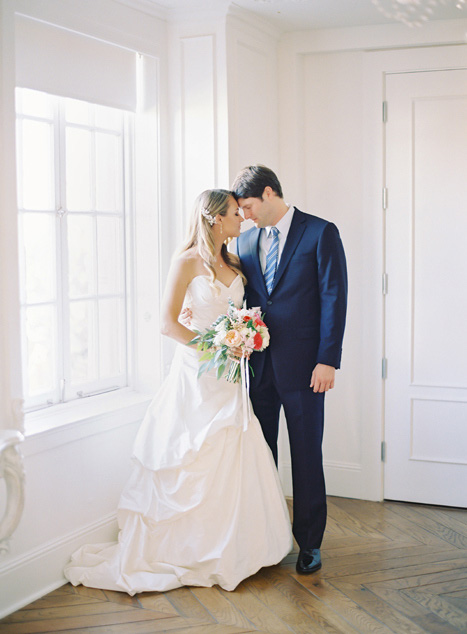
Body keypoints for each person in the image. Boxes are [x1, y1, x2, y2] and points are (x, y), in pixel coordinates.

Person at [64, 189, 292, 595]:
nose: (242, 219)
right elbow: (168, 324)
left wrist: (246, 338)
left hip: (230, 378)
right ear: (215, 219)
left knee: (233, 454)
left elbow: (241, 312)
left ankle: (237, 547)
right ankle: (188, 549)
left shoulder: (234, 260)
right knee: (192, 455)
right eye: (235, 214)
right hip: (197, 374)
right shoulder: (186, 262)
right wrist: (218, 346)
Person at [232, 165, 347, 575]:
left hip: (306, 370)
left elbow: (334, 297)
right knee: (261, 458)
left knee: (305, 455)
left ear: (268, 194)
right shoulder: (244, 243)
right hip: (258, 369)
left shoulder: (320, 232)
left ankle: (310, 543)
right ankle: (266, 537)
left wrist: (327, 358)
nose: (244, 215)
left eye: (247, 206)